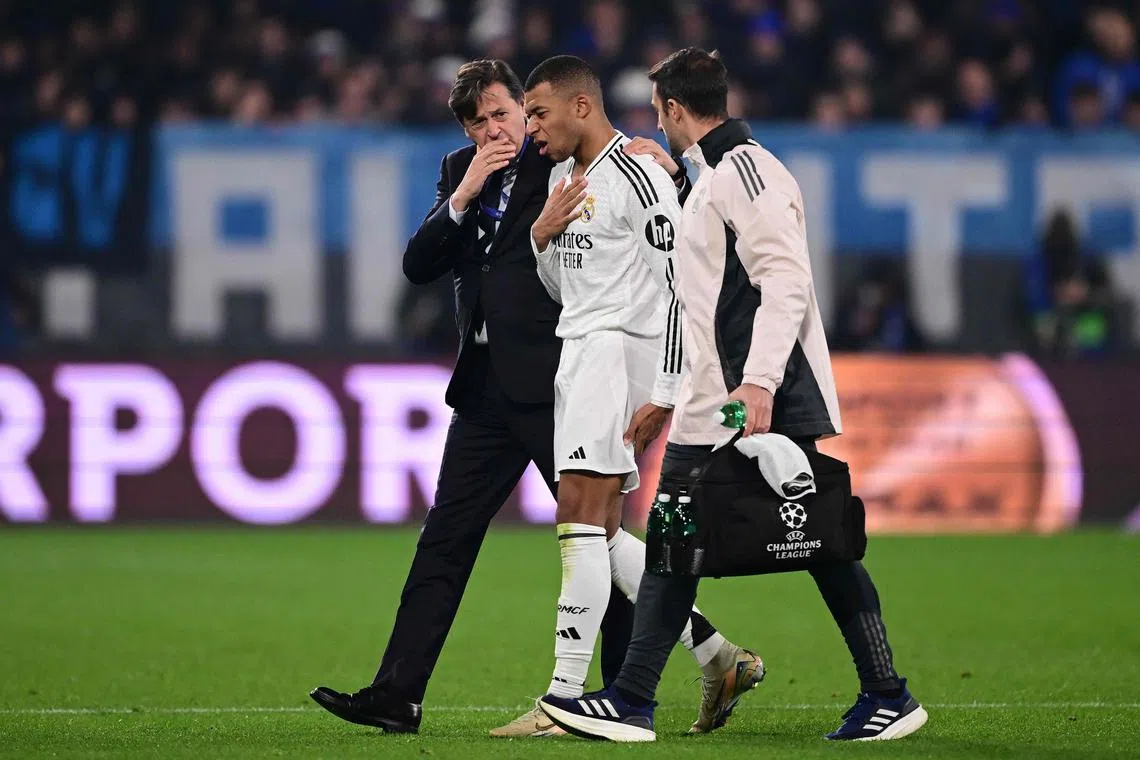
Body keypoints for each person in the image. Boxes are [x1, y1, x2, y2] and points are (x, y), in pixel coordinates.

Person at [537, 48, 928, 743]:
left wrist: (760, 382)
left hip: (753, 393)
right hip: (714, 394)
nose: (656, 123)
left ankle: (887, 692)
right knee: (674, 542)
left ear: (674, 110)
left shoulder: (747, 172)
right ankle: (633, 698)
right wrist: (677, 174)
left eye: (659, 112)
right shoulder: (712, 174)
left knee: (821, 542)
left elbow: (784, 281)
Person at [308, 58, 636, 738]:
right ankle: (399, 695)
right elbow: (419, 263)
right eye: (477, 121)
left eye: (501, 114)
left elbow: (616, 160)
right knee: (444, 542)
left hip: (558, 381)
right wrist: (466, 191)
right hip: (484, 387)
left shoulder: (561, 155)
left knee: (597, 538)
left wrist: (654, 158)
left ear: (526, 105)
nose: (494, 130)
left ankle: (619, 693)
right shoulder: (463, 168)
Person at [513, 54, 762, 735]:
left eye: (538, 112)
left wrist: (667, 389)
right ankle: (717, 654)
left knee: (577, 516)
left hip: (621, 352)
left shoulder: (641, 173)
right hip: (581, 347)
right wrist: (541, 236)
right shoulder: (564, 178)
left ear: (581, 107)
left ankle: (562, 700)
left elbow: (681, 286)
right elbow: (567, 291)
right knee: (600, 529)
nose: (531, 127)